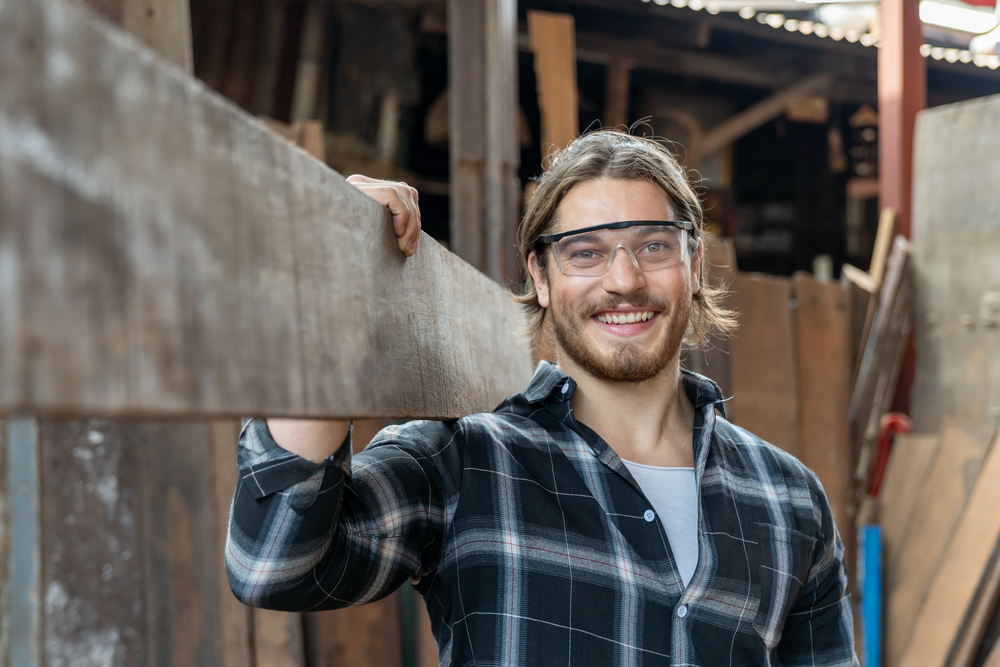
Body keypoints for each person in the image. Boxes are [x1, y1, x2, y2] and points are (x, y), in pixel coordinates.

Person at [226, 130, 857, 666]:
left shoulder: (788, 498)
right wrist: (334, 282)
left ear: (694, 264)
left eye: (654, 246)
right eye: (586, 253)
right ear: (541, 277)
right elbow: (274, 566)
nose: (624, 280)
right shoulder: (464, 463)